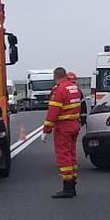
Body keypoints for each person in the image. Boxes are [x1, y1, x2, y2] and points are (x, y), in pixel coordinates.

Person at [42, 67, 83, 198]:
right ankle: (73, 182)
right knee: (71, 155)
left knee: (63, 156)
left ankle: (68, 187)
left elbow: (53, 112)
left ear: (55, 77)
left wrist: (46, 130)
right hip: (74, 124)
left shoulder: (58, 90)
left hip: (63, 127)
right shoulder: (74, 88)